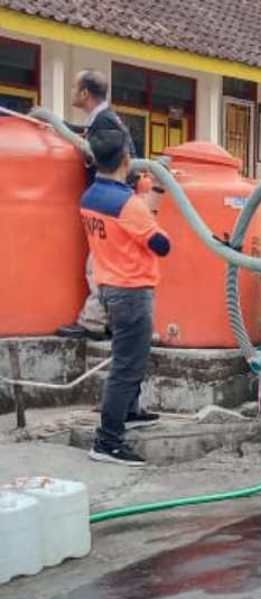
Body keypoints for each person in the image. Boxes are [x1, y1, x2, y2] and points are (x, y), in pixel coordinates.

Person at [80, 129, 170, 466]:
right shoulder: (129, 205)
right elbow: (162, 244)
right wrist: (153, 213)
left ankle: (130, 411)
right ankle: (108, 441)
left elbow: (130, 225)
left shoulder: (90, 196)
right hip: (131, 291)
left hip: (108, 287)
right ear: (126, 160)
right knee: (126, 365)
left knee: (130, 356)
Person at [58, 69, 140, 341]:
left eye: (73, 87)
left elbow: (109, 156)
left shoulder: (104, 122)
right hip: (114, 200)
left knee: (99, 263)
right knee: (107, 263)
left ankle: (94, 323)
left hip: (108, 201)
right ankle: (110, 322)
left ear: (85, 94)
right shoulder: (105, 120)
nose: (71, 92)